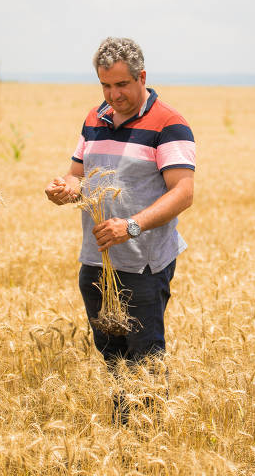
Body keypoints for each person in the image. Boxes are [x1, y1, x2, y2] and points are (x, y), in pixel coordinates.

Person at [45, 37, 195, 419]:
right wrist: (64, 189)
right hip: (97, 261)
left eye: (122, 85)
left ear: (141, 77)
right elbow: (78, 175)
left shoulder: (170, 123)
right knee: (112, 354)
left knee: (145, 356)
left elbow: (183, 192)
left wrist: (131, 226)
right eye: (105, 86)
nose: (113, 94)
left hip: (142, 266)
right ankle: (121, 431)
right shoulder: (95, 117)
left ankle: (149, 440)